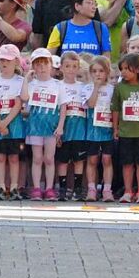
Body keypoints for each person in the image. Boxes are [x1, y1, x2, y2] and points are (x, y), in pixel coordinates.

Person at [21, 48, 64, 201]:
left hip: (51, 127)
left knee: (49, 158)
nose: (42, 67)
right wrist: (26, 79)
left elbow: (63, 107)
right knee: (37, 158)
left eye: (45, 63)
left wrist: (60, 126)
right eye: (38, 64)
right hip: (35, 127)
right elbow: (24, 97)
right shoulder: (32, 84)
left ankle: (50, 188)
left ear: (51, 65)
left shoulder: (58, 85)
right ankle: (37, 188)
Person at [112, 52, 139, 204]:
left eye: (126, 69)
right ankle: (128, 191)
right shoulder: (119, 88)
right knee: (127, 163)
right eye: (121, 69)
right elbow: (116, 108)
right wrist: (115, 127)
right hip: (125, 132)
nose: (123, 72)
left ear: (137, 69)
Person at [0, 44, 26, 200]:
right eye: (2, 60)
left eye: (8, 60)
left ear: (16, 62)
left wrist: (6, 122)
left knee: (14, 157)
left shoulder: (20, 81)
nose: (4, 63)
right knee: (0, 156)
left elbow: (18, 104)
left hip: (15, 124)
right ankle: (1, 186)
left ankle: (15, 186)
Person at [53, 51, 89, 200]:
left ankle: (78, 188)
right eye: (67, 66)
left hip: (79, 126)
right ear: (61, 67)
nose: (71, 69)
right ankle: (62, 189)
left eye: (74, 66)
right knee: (63, 160)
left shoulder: (83, 87)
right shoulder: (56, 85)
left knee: (79, 159)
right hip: (64, 126)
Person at [85, 55, 115, 202]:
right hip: (92, 130)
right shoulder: (87, 88)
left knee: (107, 159)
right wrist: (96, 88)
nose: (98, 74)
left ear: (107, 72)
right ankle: (91, 188)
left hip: (107, 129)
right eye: (95, 71)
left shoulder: (112, 89)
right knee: (92, 159)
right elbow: (90, 104)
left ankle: (107, 189)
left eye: (101, 71)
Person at [47, 0, 111, 57]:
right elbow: (49, 56)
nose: (94, 7)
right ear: (77, 6)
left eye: (95, 4)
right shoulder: (60, 28)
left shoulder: (101, 28)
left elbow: (106, 57)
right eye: (90, 3)